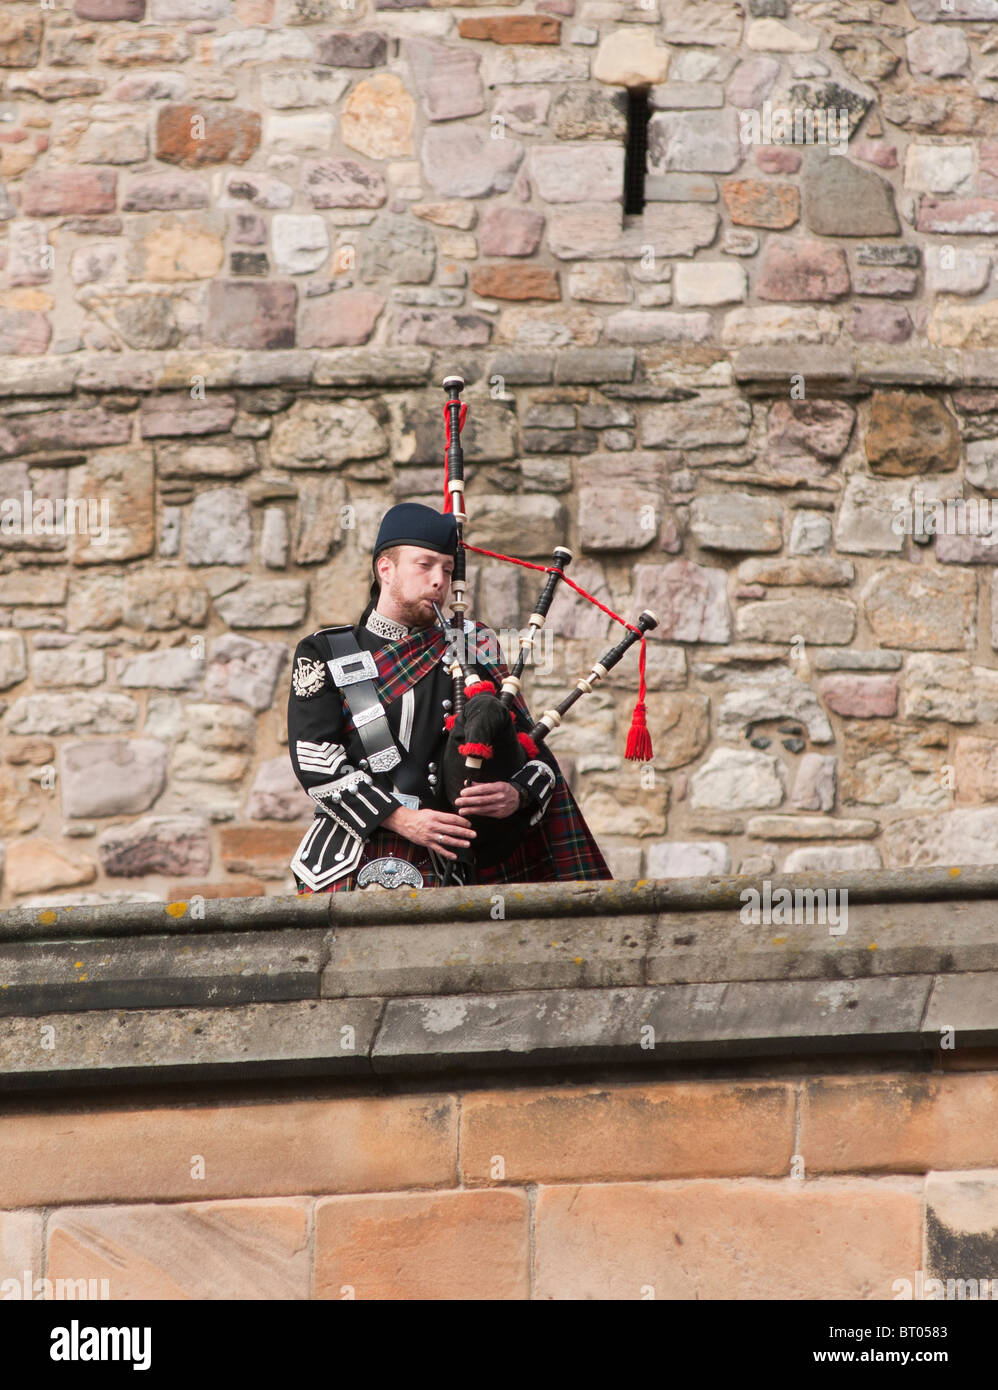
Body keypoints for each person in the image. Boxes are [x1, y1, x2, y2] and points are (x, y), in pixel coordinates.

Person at [288, 502, 610, 892]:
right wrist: (401, 818)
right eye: (424, 566)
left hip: (450, 866)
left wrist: (516, 793)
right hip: (352, 859)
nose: (439, 580)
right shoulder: (327, 651)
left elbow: (536, 756)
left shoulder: (473, 643)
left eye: (447, 568)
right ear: (385, 569)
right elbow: (317, 760)